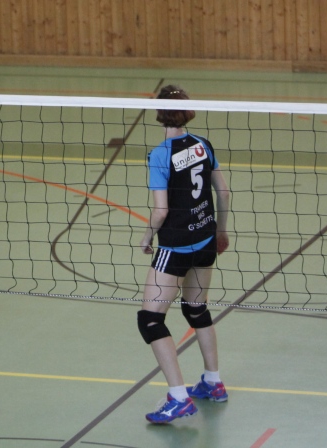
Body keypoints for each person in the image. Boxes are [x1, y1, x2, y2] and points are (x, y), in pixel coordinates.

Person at [137, 84, 232, 424]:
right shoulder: (203, 144)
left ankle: (179, 398)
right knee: (196, 307)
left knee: (150, 320)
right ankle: (213, 382)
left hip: (175, 246)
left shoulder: (160, 155)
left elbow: (160, 211)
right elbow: (224, 192)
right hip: (206, 238)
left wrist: (147, 235)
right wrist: (221, 231)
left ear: (159, 113)